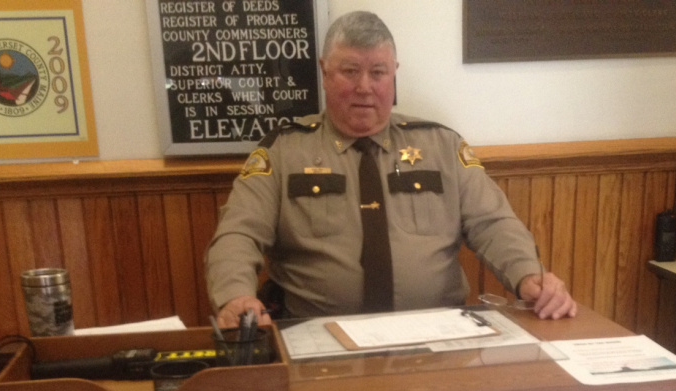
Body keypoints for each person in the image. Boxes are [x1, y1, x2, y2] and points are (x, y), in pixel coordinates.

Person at [206, 11, 577, 328]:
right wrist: (234, 295)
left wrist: (529, 275)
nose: (364, 87)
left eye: (378, 72)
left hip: (438, 331)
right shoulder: (284, 152)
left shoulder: (441, 146)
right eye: (349, 71)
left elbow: (493, 223)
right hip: (315, 336)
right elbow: (238, 234)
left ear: (394, 73)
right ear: (324, 70)